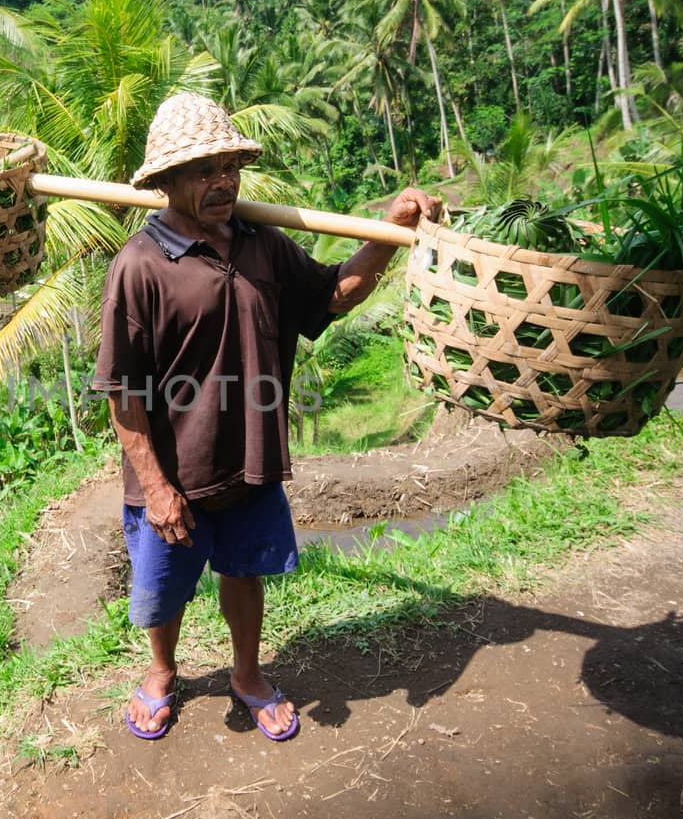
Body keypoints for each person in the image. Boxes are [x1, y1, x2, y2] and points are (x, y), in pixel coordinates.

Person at [92, 92, 441, 742]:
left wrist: (391, 229)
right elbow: (122, 393)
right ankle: (163, 671)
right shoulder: (138, 267)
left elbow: (333, 294)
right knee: (162, 591)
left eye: (230, 166)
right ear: (166, 182)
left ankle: (247, 673)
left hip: (247, 460)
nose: (222, 180)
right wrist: (160, 487)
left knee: (244, 573)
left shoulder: (264, 247)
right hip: (172, 476)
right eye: (204, 170)